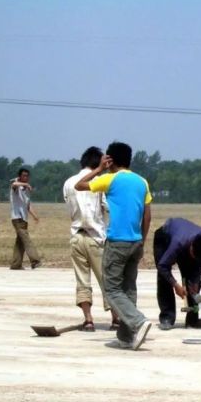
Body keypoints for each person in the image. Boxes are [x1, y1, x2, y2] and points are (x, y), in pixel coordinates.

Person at [74, 141, 152, 350]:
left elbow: (79, 186)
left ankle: (138, 322)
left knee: (111, 289)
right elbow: (147, 215)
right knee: (128, 288)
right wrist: (142, 240)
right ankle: (126, 337)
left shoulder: (109, 179)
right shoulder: (142, 182)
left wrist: (99, 169)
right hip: (136, 241)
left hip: (118, 241)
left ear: (110, 160)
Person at [63, 146, 118, 332]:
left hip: (76, 236)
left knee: (82, 280)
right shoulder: (98, 181)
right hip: (96, 238)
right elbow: (107, 208)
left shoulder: (68, 182)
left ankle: (88, 320)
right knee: (107, 280)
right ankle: (116, 319)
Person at [153, 217, 201, 329]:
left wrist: (195, 283)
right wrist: (176, 285)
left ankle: (193, 320)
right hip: (164, 238)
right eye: (194, 256)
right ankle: (167, 317)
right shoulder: (178, 242)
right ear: (191, 247)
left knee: (193, 283)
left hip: (186, 241)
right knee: (164, 278)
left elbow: (197, 267)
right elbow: (163, 266)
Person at [9, 167, 42, 270]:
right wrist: (25, 184)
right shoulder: (16, 187)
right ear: (19, 176)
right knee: (26, 239)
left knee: (20, 242)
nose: (26, 177)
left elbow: (27, 205)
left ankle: (16, 264)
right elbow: (14, 184)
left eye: (27, 176)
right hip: (17, 218)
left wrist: (34, 216)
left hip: (24, 218)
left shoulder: (26, 190)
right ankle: (35, 260)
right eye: (23, 175)